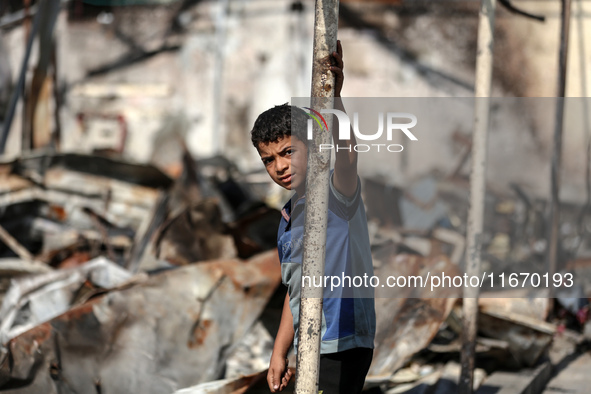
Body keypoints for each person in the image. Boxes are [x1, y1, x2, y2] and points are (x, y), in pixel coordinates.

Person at [250, 41, 376, 394]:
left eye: (289, 152)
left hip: (343, 341)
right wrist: (279, 352)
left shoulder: (336, 195)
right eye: (269, 159)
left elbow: (348, 154)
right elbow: (297, 290)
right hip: (310, 343)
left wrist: (335, 98)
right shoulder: (288, 218)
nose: (280, 166)